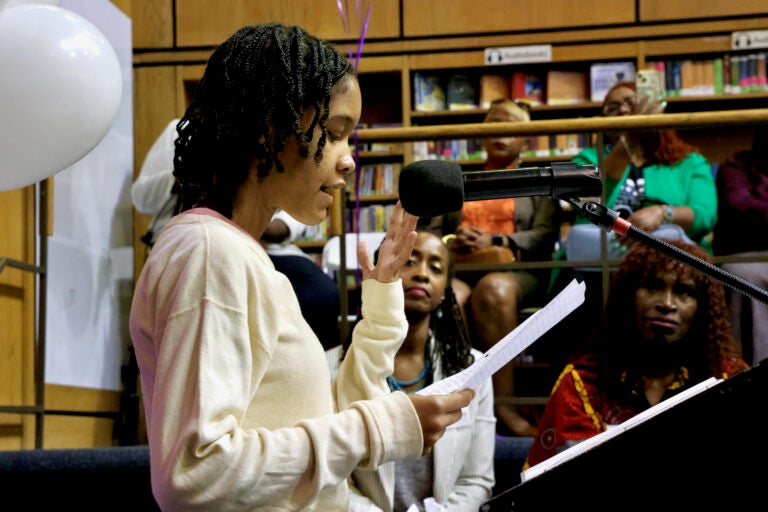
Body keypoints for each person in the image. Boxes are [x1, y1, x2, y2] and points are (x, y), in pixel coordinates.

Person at [128, 23, 475, 512]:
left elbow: (312, 423)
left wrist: (378, 315)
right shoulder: (208, 252)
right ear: (271, 128)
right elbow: (194, 473)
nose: (349, 160)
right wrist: (383, 428)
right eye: (333, 135)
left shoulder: (242, 254)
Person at [524, 239, 749, 469]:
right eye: (653, 287)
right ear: (627, 297)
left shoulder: (729, 378)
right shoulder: (584, 382)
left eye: (683, 291)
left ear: (703, 307)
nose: (667, 303)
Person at [132, 119, 343, 349]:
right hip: (196, 240)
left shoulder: (271, 130)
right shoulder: (180, 129)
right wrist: (185, 170)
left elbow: (291, 212)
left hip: (262, 244)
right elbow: (141, 198)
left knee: (322, 294)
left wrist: (257, 223)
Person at [327, 229, 495, 511]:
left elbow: (476, 481)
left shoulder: (472, 369)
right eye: (409, 261)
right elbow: (332, 481)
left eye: (436, 268)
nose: (422, 274)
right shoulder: (330, 367)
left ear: (445, 291)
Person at [444, 98, 559, 438]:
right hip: (463, 268)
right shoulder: (459, 180)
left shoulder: (540, 181)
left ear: (527, 139)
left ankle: (503, 403)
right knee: (448, 295)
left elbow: (543, 236)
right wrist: (455, 239)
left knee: (493, 288)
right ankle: (461, 402)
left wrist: (497, 241)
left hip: (519, 270)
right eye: (493, 123)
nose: (500, 132)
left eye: (510, 125)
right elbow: (435, 232)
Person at [712, 126, 768, 366]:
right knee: (744, 276)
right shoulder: (736, 164)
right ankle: (747, 367)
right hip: (746, 250)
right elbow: (739, 205)